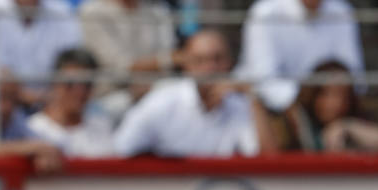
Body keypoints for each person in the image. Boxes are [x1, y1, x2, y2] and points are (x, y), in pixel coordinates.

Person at [113, 29, 269, 157]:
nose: (211, 67)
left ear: (230, 62)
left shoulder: (240, 103)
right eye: (201, 60)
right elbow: (121, 148)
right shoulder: (162, 102)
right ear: (187, 65)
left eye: (218, 58)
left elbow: (266, 159)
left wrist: (253, 96)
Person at [235, 0, 364, 113]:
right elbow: (264, 81)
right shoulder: (265, 12)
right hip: (273, 111)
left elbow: (354, 76)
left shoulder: (342, 9)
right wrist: (307, 98)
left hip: (330, 110)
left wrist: (332, 98)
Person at [76, 0, 175, 111]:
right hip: (111, 97)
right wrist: (168, 60)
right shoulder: (92, 11)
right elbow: (119, 66)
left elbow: (169, 56)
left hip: (156, 91)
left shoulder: (158, 10)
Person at [272, 58, 378, 151]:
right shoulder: (294, 119)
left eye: (343, 95)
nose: (336, 103)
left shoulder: (354, 121)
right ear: (313, 94)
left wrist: (348, 126)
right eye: (328, 94)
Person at [25, 47, 115, 157]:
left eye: (87, 84)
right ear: (55, 83)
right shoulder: (34, 129)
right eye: (70, 83)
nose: (79, 91)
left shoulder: (102, 126)